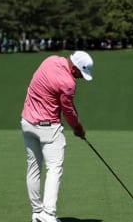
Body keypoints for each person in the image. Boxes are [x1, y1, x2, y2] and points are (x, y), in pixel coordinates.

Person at [21, 51, 94, 222]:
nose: (81, 77)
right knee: (54, 169)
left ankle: (37, 213)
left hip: (27, 123)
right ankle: (48, 215)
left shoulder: (50, 60)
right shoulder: (68, 83)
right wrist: (78, 128)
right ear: (75, 67)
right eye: (81, 73)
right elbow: (68, 111)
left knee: (34, 168)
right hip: (48, 128)